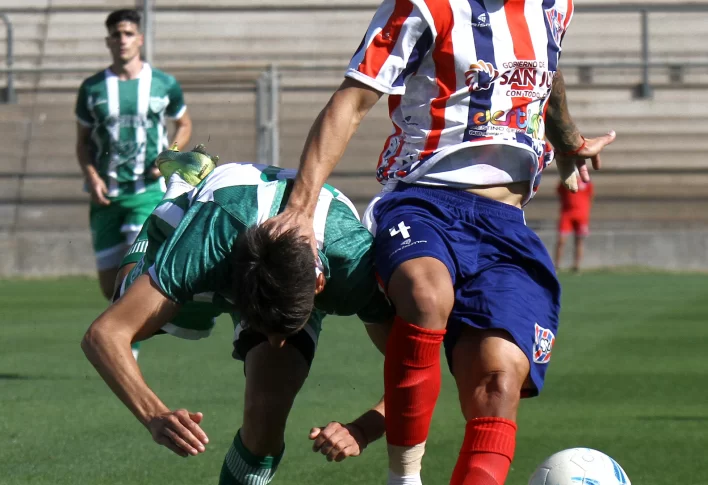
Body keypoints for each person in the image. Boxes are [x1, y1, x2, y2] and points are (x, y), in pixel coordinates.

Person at [265, 0, 616, 484]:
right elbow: (352, 100)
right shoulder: (423, 6)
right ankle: (404, 478)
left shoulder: (556, 7)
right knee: (426, 295)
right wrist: (299, 209)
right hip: (423, 201)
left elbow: (546, 77)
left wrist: (570, 141)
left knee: (497, 383)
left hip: (507, 225)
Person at [81, 146, 393, 485]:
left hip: (295, 249)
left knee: (268, 410)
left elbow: (416, 368)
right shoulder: (206, 244)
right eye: (267, 327)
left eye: (288, 326)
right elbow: (104, 335)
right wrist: (154, 415)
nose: (276, 341)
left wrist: (365, 428)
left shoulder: (355, 267)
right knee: (127, 302)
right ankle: (183, 184)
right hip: (218, 215)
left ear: (318, 286)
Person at [75, 8, 192, 303]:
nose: (122, 40)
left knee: (131, 279)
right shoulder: (92, 89)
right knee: (109, 288)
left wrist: (169, 154)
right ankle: (128, 336)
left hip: (147, 192)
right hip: (107, 197)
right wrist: (91, 176)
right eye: (116, 35)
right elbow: (82, 142)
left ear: (139, 39)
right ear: (108, 41)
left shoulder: (163, 84)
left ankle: (130, 346)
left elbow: (184, 124)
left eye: (128, 34)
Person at [555, 178, 595, 273]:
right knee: (561, 240)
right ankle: (557, 265)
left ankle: (576, 266)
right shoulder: (565, 180)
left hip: (581, 215)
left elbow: (591, 195)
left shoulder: (586, 181)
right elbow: (560, 192)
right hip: (567, 214)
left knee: (579, 241)